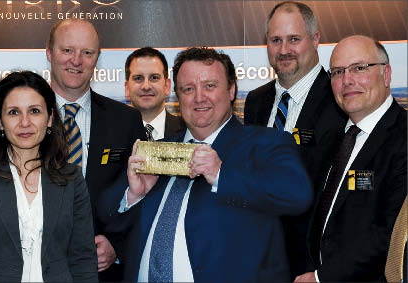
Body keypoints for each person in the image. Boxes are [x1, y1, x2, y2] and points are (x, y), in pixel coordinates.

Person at [98, 47, 313, 282]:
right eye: (188, 89)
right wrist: (133, 195)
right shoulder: (159, 150)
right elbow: (107, 215)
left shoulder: (265, 143)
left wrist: (222, 175)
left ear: (231, 90)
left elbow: (297, 195)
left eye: (210, 86)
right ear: (177, 97)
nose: (199, 97)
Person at [243, 1, 346, 277]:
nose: (284, 49)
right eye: (276, 40)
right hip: (258, 259)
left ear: (315, 40)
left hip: (311, 266)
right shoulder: (255, 101)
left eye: (294, 39)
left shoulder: (341, 100)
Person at [295, 35, 407, 282]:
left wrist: (320, 278)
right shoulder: (331, 140)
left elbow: (389, 234)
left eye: (359, 68)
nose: (347, 80)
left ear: (386, 74)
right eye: (337, 72)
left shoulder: (403, 139)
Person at [0, 71, 97, 282]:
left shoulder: (71, 178)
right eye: (13, 112)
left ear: (50, 118)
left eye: (34, 111)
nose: (25, 122)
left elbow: (83, 258)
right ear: (0, 122)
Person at [46, 19, 146, 281]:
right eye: (67, 50)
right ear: (49, 53)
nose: (76, 61)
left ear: (97, 59)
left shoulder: (126, 121)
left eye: (87, 53)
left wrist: (118, 246)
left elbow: (144, 195)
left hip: (102, 272)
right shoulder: (23, 118)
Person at [125, 47, 185, 141]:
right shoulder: (112, 132)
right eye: (138, 78)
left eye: (154, 78)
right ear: (127, 88)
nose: (146, 86)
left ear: (167, 86)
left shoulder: (187, 130)